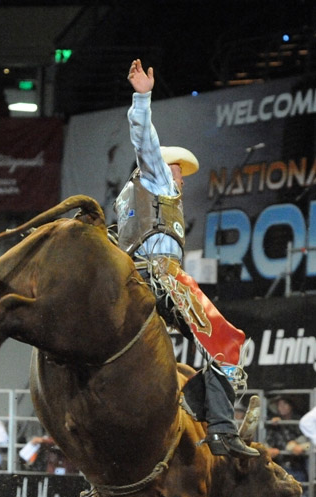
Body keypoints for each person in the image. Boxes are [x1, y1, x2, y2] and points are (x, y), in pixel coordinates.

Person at [114, 59, 258, 458]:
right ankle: (220, 426)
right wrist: (142, 97)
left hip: (133, 276)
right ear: (166, 168)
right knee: (227, 341)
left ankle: (201, 410)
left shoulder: (126, 198)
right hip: (163, 277)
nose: (181, 180)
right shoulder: (156, 177)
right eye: (179, 173)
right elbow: (143, 139)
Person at [265, 394, 309, 497]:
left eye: (285, 404)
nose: (281, 407)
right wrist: (271, 450)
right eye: (279, 404)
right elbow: (268, 444)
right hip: (283, 469)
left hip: (297, 469)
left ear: (291, 405)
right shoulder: (274, 423)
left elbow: (305, 442)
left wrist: (295, 446)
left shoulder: (299, 423)